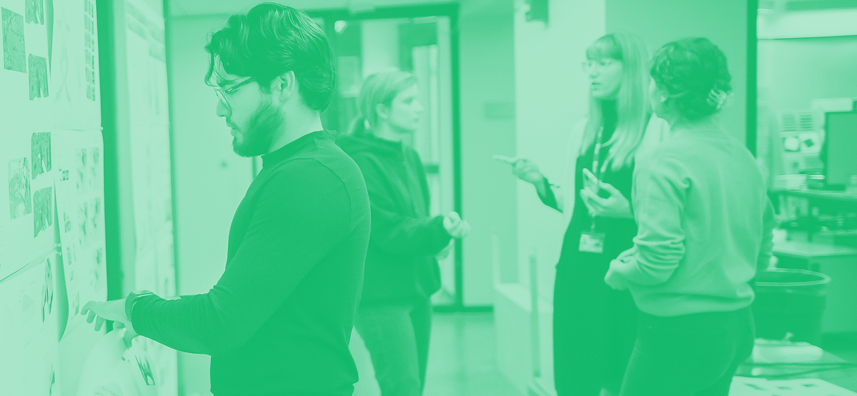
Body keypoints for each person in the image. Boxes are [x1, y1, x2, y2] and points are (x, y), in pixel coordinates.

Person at [79, 3, 373, 395]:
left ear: (282, 84)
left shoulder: (310, 179)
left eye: (230, 88)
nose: (220, 107)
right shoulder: (301, 169)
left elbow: (221, 322)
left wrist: (136, 308)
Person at [493, 33, 670, 396]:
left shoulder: (657, 131)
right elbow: (578, 204)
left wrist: (629, 211)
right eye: (588, 64)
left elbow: (674, 214)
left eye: (604, 64)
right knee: (576, 368)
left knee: (622, 370)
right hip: (578, 268)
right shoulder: (585, 130)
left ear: (631, 68)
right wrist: (540, 182)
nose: (592, 73)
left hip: (626, 269)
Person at [604, 37, 776, 396]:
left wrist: (621, 272)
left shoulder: (662, 161)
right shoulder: (746, 160)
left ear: (664, 93)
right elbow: (763, 242)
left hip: (677, 335)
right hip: (736, 327)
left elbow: (656, 264)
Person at [337, 71, 469, 396]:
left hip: (417, 290)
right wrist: (438, 228)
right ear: (382, 110)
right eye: (409, 101)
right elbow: (389, 231)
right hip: (381, 297)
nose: (420, 108)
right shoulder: (360, 163)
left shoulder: (409, 156)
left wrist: (439, 239)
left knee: (413, 388)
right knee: (403, 388)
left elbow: (415, 221)